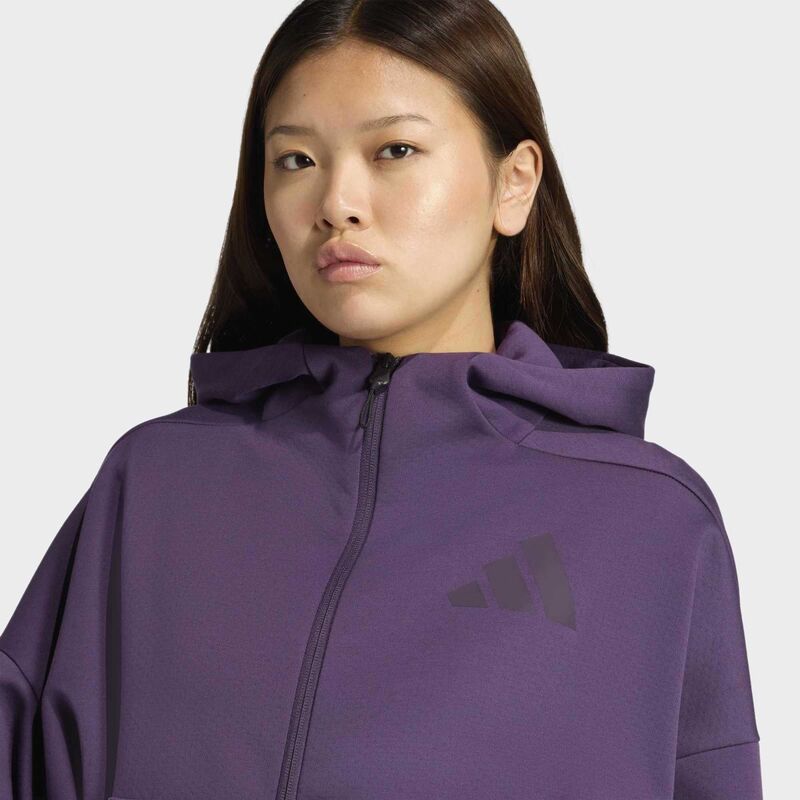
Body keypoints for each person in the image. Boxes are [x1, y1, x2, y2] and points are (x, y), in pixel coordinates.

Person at [0, 0, 762, 798]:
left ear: (514, 184)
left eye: (395, 150)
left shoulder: (644, 521)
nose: (337, 202)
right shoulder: (155, 483)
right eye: (296, 160)